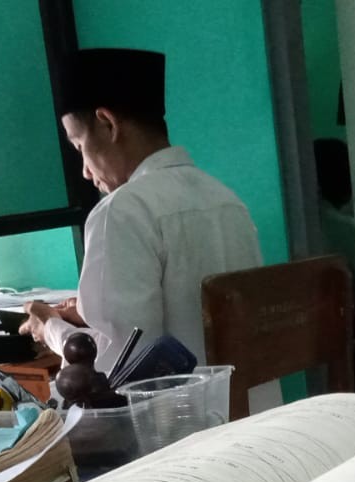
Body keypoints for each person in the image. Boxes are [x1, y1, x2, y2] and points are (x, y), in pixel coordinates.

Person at [22, 49, 265, 394]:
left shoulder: (120, 211)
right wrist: (87, 314)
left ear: (107, 124)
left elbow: (115, 370)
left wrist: (50, 327)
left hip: (184, 421)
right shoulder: (226, 200)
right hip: (261, 418)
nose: (85, 172)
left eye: (79, 147)